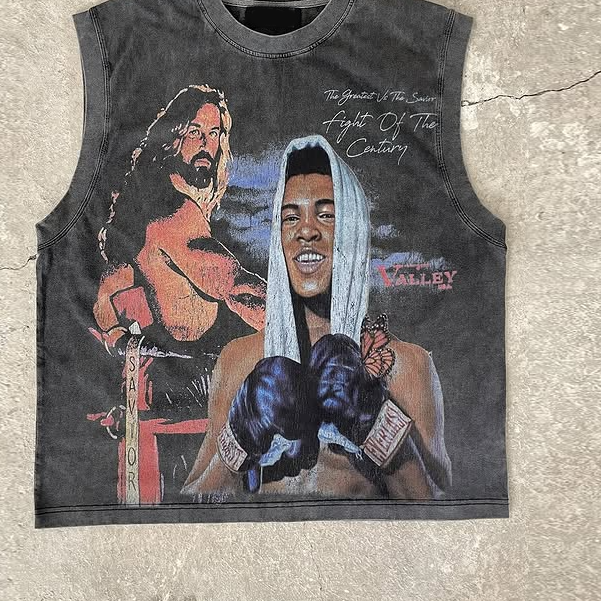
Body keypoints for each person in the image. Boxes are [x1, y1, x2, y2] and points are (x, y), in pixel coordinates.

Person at [181, 134, 451, 501]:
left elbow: (437, 511)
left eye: (326, 215)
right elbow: (196, 502)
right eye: (291, 217)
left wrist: (376, 421)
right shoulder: (238, 360)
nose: (306, 231)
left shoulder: (406, 366)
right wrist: (239, 437)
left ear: (353, 229)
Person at [88, 84, 267, 501]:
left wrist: (118, 338)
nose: (207, 144)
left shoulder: (144, 210)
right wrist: (316, 324)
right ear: (173, 138)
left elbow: (107, 294)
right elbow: (238, 289)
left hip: (167, 397)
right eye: (195, 132)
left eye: (215, 133)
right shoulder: (177, 217)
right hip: (190, 403)